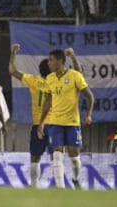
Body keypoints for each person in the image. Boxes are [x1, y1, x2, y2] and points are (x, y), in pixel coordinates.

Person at [9, 44, 83, 188]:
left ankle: (35, 185)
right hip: (55, 123)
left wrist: (13, 53)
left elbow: (13, 71)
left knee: (36, 158)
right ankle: (58, 184)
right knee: (56, 157)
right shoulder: (54, 80)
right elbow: (79, 72)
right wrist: (73, 57)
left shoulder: (34, 81)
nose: (50, 64)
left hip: (42, 124)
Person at [37, 49, 94, 189]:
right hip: (55, 122)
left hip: (72, 122)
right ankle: (60, 188)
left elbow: (90, 96)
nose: (48, 63)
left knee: (74, 158)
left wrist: (88, 114)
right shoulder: (49, 78)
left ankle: (75, 178)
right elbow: (48, 101)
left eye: (51, 60)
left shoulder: (75, 76)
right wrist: (42, 122)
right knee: (57, 154)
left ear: (60, 61)